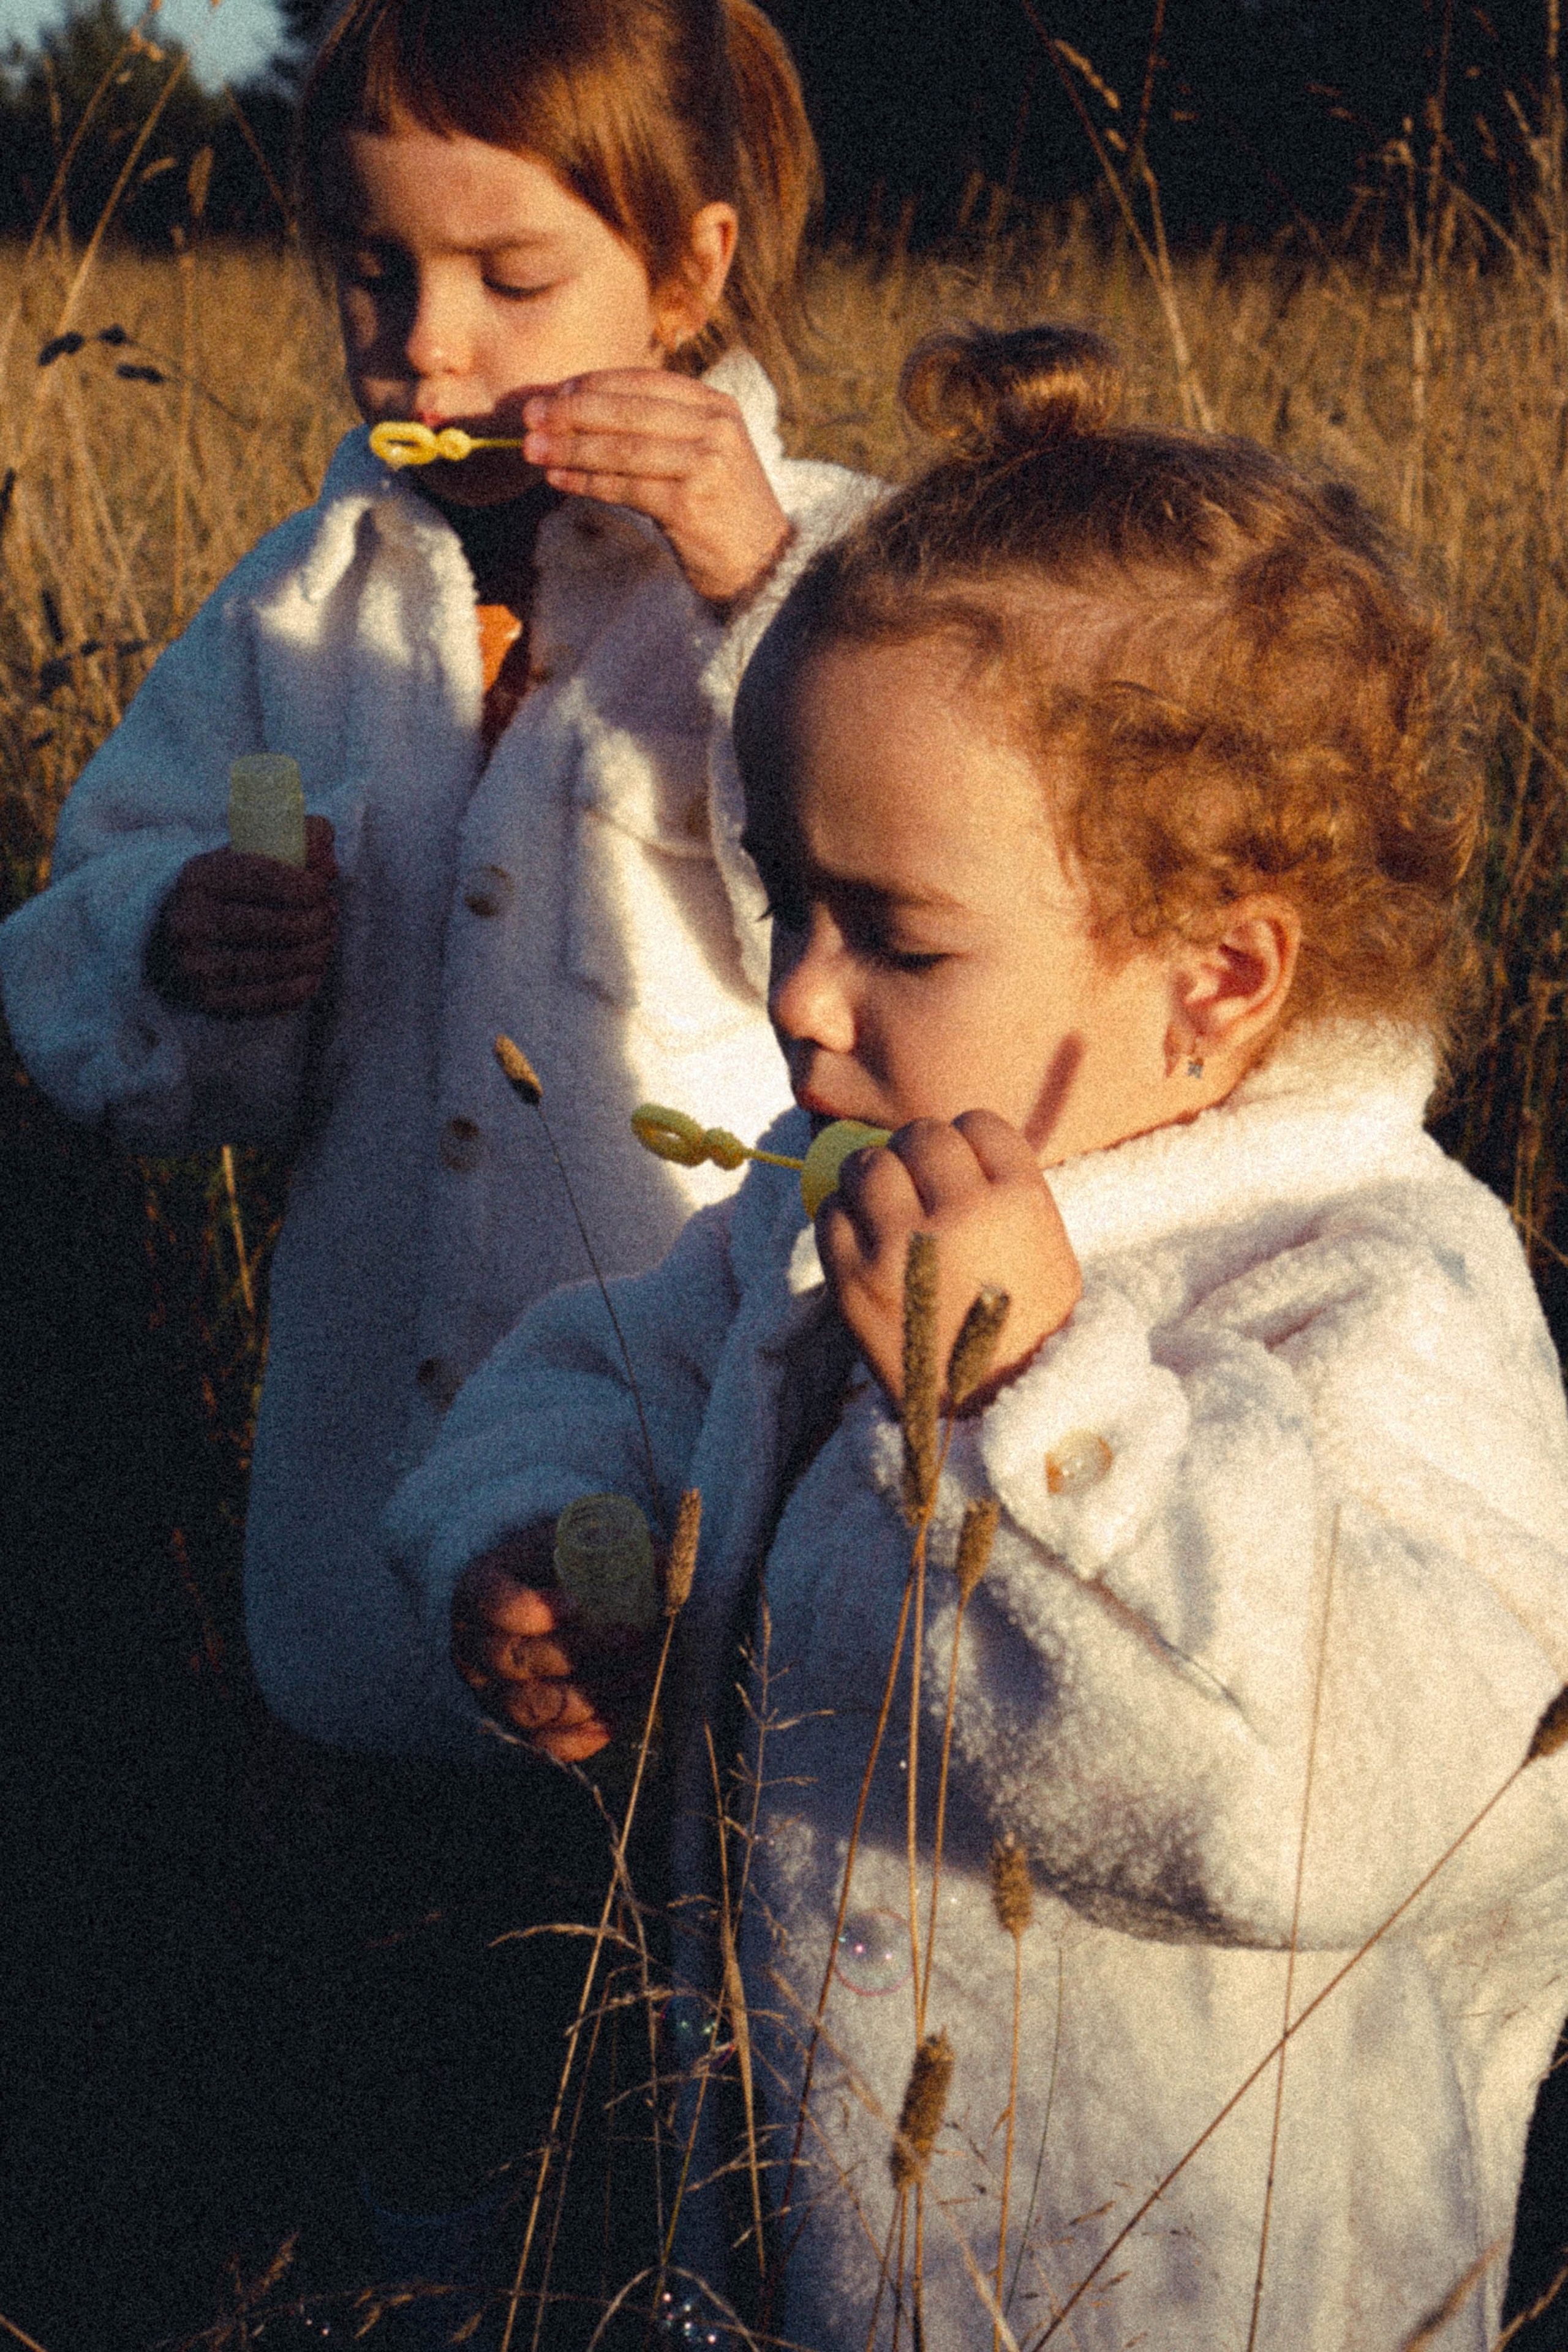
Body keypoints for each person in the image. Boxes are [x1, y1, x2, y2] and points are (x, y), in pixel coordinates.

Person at [388, 323, 1568, 2350]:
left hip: (1203, 2287)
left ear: (1215, 978)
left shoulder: (1382, 1295)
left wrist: (1044, 1406)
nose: (802, 1002)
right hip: (796, 2244)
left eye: (895, 934)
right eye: (783, 900)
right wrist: (545, 1530)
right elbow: (614, 1357)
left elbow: (1320, 1799)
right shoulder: (826, 1187)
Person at [0, 0, 876, 1762]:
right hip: (358, 1541)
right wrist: (180, 943)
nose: (430, 349)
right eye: (375, 273)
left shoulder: (845, 569)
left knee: (656, 1957)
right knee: (373, 1967)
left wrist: (755, 589)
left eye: (512, 278)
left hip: (696, 1493)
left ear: (690, 275)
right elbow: (76, 961)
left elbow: (913, 935)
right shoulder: (296, 605)